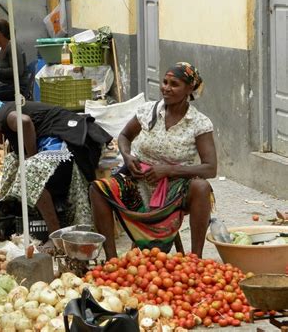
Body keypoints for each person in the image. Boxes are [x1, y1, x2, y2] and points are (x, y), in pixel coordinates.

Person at [90, 62, 217, 260]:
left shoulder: (199, 123)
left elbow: (210, 168)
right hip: (138, 182)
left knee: (201, 187)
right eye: (165, 82)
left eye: (174, 84)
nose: (166, 88)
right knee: (98, 189)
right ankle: (111, 259)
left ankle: (196, 260)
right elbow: (124, 136)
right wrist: (127, 155)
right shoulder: (148, 111)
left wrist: (167, 171)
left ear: (189, 89)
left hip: (176, 188)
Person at [0, 100, 112, 244]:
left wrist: (32, 156)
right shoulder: (6, 114)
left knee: (30, 172)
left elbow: (25, 122)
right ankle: (5, 220)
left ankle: (54, 235)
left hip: (76, 141)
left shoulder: (2, 117)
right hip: (70, 138)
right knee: (13, 162)